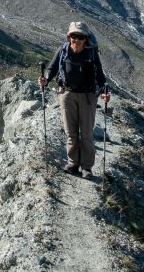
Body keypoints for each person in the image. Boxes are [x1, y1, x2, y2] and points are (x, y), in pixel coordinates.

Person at [38, 21, 110, 178]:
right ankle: (73, 163)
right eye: (73, 36)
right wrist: (45, 79)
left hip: (87, 97)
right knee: (71, 132)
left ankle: (86, 167)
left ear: (86, 39)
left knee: (86, 134)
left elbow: (100, 76)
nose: (76, 40)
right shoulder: (63, 50)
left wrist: (105, 92)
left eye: (80, 37)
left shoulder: (91, 54)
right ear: (68, 36)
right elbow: (52, 69)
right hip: (67, 95)